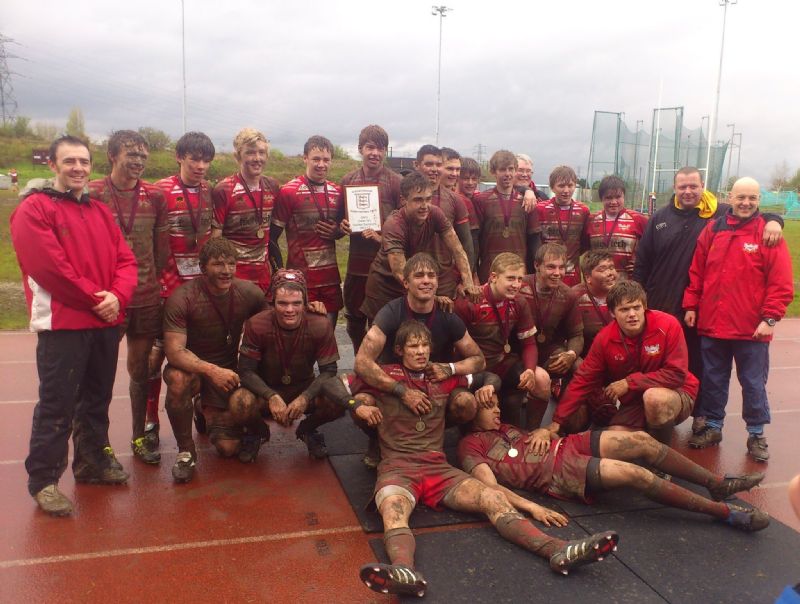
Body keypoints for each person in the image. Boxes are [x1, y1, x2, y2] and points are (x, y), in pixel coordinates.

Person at [325, 321, 618, 597]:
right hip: (398, 467)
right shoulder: (383, 375)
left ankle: (559, 550)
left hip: (439, 469)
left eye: (424, 346)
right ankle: (404, 572)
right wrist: (355, 406)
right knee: (392, 509)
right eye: (413, 347)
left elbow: (487, 374)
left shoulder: (441, 377)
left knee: (493, 498)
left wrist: (489, 385)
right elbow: (331, 384)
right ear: (400, 350)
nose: (420, 352)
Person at [10, 135, 138, 516]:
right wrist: (99, 299)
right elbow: (49, 268)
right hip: (64, 325)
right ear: (53, 164)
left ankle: (91, 462)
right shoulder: (34, 209)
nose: (78, 168)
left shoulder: (99, 212)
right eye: (69, 161)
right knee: (57, 403)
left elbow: (126, 261)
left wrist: (119, 295)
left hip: (103, 323)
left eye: (83, 161)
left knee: (96, 399)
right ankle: (44, 480)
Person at [462, 400, 769, 534]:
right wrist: (532, 508)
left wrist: (547, 430)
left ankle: (716, 483)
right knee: (636, 474)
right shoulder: (470, 446)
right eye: (489, 407)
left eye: (497, 405)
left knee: (641, 441)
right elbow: (491, 487)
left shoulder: (505, 426)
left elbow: (539, 437)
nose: (497, 409)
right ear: (470, 415)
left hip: (568, 444)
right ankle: (725, 513)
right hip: (558, 472)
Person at [633, 166, 783, 434]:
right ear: (675, 189)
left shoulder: (719, 213)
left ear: (703, 187)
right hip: (666, 307)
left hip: (705, 314)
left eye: (694, 186)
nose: (688, 191)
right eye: (683, 187)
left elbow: (753, 213)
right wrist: (641, 298)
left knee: (704, 368)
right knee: (657, 362)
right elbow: (646, 263)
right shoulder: (661, 219)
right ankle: (650, 413)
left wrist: (775, 221)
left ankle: (705, 416)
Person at [683, 177, 793, 460]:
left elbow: (780, 282)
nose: (746, 203)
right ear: (729, 198)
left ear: (759, 201)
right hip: (713, 324)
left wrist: (769, 318)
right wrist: (692, 305)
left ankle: (756, 433)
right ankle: (714, 425)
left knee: (753, 383)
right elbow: (697, 272)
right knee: (713, 379)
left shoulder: (767, 233)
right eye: (741, 197)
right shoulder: (713, 229)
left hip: (751, 330)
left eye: (752, 199)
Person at [355, 252, 485, 465]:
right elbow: (362, 362)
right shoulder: (390, 313)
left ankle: (447, 441)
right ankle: (378, 439)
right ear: (405, 282)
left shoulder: (448, 316)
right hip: (396, 385)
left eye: (431, 275)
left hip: (436, 386)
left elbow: (478, 359)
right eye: (419, 275)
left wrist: (450, 368)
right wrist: (402, 391)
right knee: (362, 403)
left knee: (466, 403)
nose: (426, 280)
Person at [88, 130, 169, 464]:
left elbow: (161, 253)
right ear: (112, 154)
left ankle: (139, 437)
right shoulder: (91, 193)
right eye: (130, 155)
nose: (137, 161)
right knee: (100, 374)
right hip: (107, 301)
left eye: (142, 156)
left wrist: (147, 280)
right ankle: (99, 445)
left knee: (141, 369)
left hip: (146, 298)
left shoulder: (155, 197)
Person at [161, 238, 265, 483]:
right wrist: (211, 370)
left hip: (228, 373)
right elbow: (175, 352)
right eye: (218, 264)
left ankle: (200, 410)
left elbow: (273, 323)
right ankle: (186, 451)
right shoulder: (182, 297)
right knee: (177, 379)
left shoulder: (249, 293)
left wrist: (310, 307)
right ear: (202, 267)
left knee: (228, 449)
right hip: (195, 370)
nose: (226, 270)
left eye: (231, 263)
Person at [545, 280, 697, 444]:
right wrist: (557, 421)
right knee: (614, 438)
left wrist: (629, 383)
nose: (632, 314)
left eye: (636, 307)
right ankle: (648, 436)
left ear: (644, 307)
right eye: (624, 309)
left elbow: (677, 375)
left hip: (676, 393)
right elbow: (583, 379)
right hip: (636, 400)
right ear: (612, 313)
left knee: (654, 398)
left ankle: (661, 458)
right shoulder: (605, 338)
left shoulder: (668, 325)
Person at [148, 131, 217, 441]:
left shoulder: (209, 191)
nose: (200, 165)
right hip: (166, 287)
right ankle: (150, 420)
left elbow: (213, 233)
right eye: (194, 158)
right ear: (179, 157)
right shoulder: (159, 190)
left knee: (202, 351)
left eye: (206, 160)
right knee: (155, 355)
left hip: (198, 288)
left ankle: (202, 406)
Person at [237, 269, 344, 459]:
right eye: (282, 303)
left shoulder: (320, 323)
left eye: (296, 303)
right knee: (239, 402)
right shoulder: (256, 324)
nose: (289, 310)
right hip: (265, 387)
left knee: (338, 398)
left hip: (303, 386)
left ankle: (308, 429)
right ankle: (258, 433)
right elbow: (245, 371)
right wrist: (270, 396)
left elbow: (329, 370)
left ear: (305, 303)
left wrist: (306, 397)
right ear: (272, 303)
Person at [360, 172, 478, 321]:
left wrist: (468, 282)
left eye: (428, 199)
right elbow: (399, 271)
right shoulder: (394, 224)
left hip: (412, 281)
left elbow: (457, 249)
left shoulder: (435, 213)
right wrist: (431, 296)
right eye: (418, 200)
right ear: (404, 200)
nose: (424, 206)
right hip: (385, 285)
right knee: (385, 337)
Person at [454, 252, 550, 429]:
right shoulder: (469, 302)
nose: (516, 285)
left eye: (520, 279)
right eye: (510, 278)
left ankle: (532, 432)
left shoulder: (519, 302)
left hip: (501, 363)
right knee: (483, 415)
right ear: (493, 277)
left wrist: (529, 370)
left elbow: (529, 344)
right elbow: (453, 349)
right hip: (474, 370)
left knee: (541, 379)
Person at [271, 135, 345, 327]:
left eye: (326, 159)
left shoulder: (337, 192)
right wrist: (280, 273)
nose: (321, 164)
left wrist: (338, 232)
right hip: (301, 280)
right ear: (305, 158)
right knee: (302, 342)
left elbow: (342, 229)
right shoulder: (289, 191)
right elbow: (272, 238)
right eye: (316, 159)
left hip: (330, 280)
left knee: (328, 338)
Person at [340, 125, 402, 352]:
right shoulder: (348, 179)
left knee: (383, 322)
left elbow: (404, 224)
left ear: (385, 151)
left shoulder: (396, 182)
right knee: (354, 321)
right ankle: (359, 360)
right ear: (360, 149)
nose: (375, 153)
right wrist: (342, 225)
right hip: (356, 266)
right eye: (370, 147)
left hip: (385, 266)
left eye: (381, 148)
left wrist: (382, 236)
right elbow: (339, 221)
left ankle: (382, 366)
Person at [518, 243, 583, 423]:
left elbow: (576, 335)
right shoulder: (519, 286)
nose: (557, 273)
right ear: (536, 265)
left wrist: (570, 354)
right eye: (551, 267)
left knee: (578, 365)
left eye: (562, 267)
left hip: (548, 351)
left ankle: (562, 422)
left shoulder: (568, 295)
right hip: (518, 351)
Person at [212, 127, 281, 292]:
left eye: (262, 152)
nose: (257, 158)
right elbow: (215, 239)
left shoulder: (272, 186)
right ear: (238, 156)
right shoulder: (224, 189)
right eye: (250, 152)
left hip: (264, 275)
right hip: (234, 277)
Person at [414, 144, 474, 298]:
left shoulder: (455, 200)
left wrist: (465, 279)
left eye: (438, 165)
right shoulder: (406, 197)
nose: (434, 169)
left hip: (444, 279)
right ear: (417, 166)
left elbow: (466, 244)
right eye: (429, 164)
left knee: (441, 320)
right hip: (414, 275)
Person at [473, 150, 541, 281]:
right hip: (489, 272)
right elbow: (475, 241)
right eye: (502, 169)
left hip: (519, 273)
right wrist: (473, 272)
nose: (507, 174)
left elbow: (534, 240)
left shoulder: (527, 201)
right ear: (493, 172)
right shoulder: (481, 200)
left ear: (515, 171)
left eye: (511, 169)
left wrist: (537, 272)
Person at [535, 165, 590, 287]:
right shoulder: (541, 209)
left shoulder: (583, 210)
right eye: (561, 186)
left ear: (575, 185)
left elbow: (585, 243)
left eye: (570, 185)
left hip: (572, 274)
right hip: (547, 274)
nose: (566, 190)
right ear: (552, 187)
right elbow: (536, 241)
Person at [584, 175, 647, 279]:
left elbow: (651, 247)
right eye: (608, 198)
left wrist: (641, 264)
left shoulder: (638, 219)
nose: (613, 202)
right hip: (599, 281)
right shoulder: (591, 220)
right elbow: (585, 250)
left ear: (624, 196)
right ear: (601, 199)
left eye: (618, 197)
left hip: (626, 283)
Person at [573, 249, 618, 362]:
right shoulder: (574, 297)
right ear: (588, 277)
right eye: (603, 269)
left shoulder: (624, 294)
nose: (610, 273)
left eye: (612, 268)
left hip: (618, 355)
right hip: (586, 357)